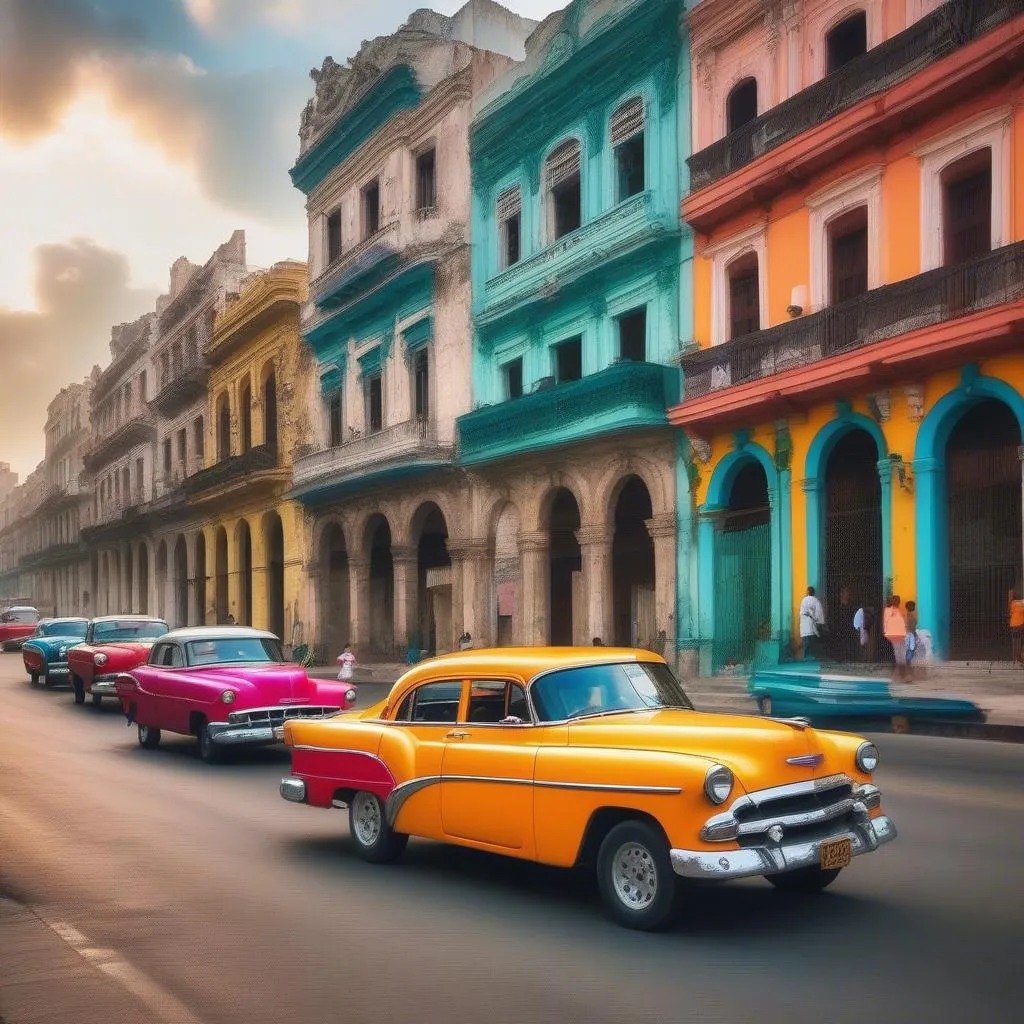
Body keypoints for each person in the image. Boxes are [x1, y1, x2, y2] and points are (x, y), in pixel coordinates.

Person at [884, 595, 907, 681]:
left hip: (901, 636)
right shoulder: (889, 611)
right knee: (898, 656)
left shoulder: (900, 611)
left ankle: (901, 675)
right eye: (895, 600)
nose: (897, 602)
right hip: (894, 636)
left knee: (901, 656)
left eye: (898, 600)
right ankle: (899, 675)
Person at [799, 586, 825, 660]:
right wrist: (819, 622)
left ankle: (806, 656)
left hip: (804, 622)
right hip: (811, 623)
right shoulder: (816, 601)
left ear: (807, 592)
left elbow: (801, 613)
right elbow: (819, 613)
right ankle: (809, 655)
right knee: (811, 640)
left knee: (806, 640)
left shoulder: (804, 600)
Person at [1009, 589, 1024, 667]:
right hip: (1017, 626)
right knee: (1017, 642)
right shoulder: (1016, 603)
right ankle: (1017, 658)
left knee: (1017, 642)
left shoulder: (1013, 603)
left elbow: (1011, 612)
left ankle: (1017, 658)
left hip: (1016, 626)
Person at [904, 600, 918, 677]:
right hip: (910, 635)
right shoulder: (909, 616)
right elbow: (910, 626)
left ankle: (908, 667)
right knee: (910, 649)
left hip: (910, 634)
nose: (914, 608)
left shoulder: (910, 615)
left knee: (910, 650)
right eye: (913, 606)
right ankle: (908, 668)